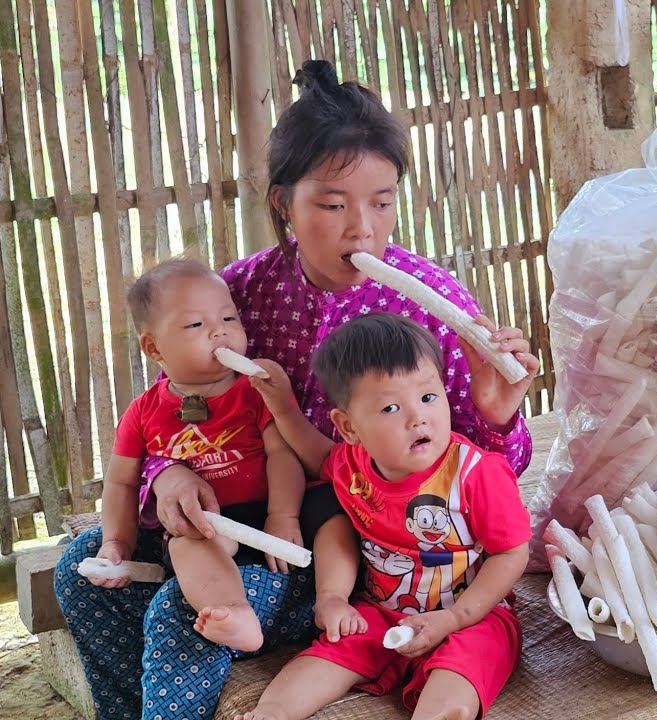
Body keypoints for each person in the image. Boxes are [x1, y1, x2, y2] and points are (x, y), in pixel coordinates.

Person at [54, 58, 539, 720]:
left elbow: (485, 482)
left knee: (182, 609)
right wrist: (165, 476)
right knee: (81, 573)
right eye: (332, 205)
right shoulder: (237, 296)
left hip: (341, 543)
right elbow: (177, 405)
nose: (361, 229)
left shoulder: (434, 308)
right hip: (224, 513)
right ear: (283, 203)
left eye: (382, 202)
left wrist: (496, 417)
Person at [237, 313, 529, 720]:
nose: (417, 417)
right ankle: (269, 714)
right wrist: (333, 599)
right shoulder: (351, 466)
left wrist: (454, 618)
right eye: (391, 407)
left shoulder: (476, 473)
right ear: (349, 427)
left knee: (463, 672)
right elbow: (319, 455)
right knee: (326, 653)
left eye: (428, 397)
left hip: (472, 615)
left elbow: (512, 553)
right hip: (379, 613)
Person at [92, 258, 308, 654]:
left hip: (263, 519)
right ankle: (232, 613)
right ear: (154, 347)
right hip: (200, 527)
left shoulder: (254, 390)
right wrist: (116, 543)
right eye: (195, 325)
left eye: (229, 318)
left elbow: (283, 456)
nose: (219, 331)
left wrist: (283, 516)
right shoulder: (143, 411)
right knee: (185, 542)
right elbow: (121, 482)